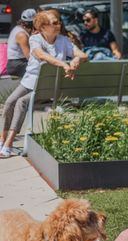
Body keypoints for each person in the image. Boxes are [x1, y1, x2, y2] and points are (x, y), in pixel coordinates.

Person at [0, 10, 88, 159]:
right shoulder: (35, 39)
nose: (58, 25)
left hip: (47, 85)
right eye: (54, 23)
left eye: (58, 22)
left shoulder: (64, 40)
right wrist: (63, 64)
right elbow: (41, 55)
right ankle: (2, 140)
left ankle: (8, 144)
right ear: (42, 27)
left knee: (21, 103)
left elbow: (83, 55)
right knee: (9, 102)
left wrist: (76, 59)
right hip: (29, 81)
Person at [5, 9, 36, 77]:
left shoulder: (19, 29)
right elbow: (29, 56)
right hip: (17, 64)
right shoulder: (22, 35)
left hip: (19, 62)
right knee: (40, 69)